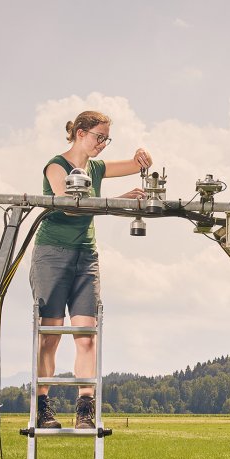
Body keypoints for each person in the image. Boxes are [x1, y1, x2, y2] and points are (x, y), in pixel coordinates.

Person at [31, 110, 152, 429]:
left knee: (86, 336)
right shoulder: (56, 166)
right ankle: (43, 409)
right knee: (50, 335)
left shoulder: (96, 168)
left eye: (106, 139)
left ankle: (85, 409)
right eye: (99, 137)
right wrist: (118, 200)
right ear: (80, 133)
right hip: (52, 253)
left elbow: (135, 165)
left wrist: (142, 158)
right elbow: (69, 206)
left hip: (86, 256)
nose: (102, 144)